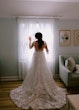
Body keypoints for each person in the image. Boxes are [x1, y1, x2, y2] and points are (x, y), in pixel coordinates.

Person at [10, 32, 67, 110]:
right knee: (43, 71)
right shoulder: (44, 43)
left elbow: (30, 47)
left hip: (36, 57)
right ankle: (42, 84)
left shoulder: (34, 42)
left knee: (35, 70)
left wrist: (30, 40)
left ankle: (35, 84)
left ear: (36, 37)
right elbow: (47, 51)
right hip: (42, 56)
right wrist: (44, 50)